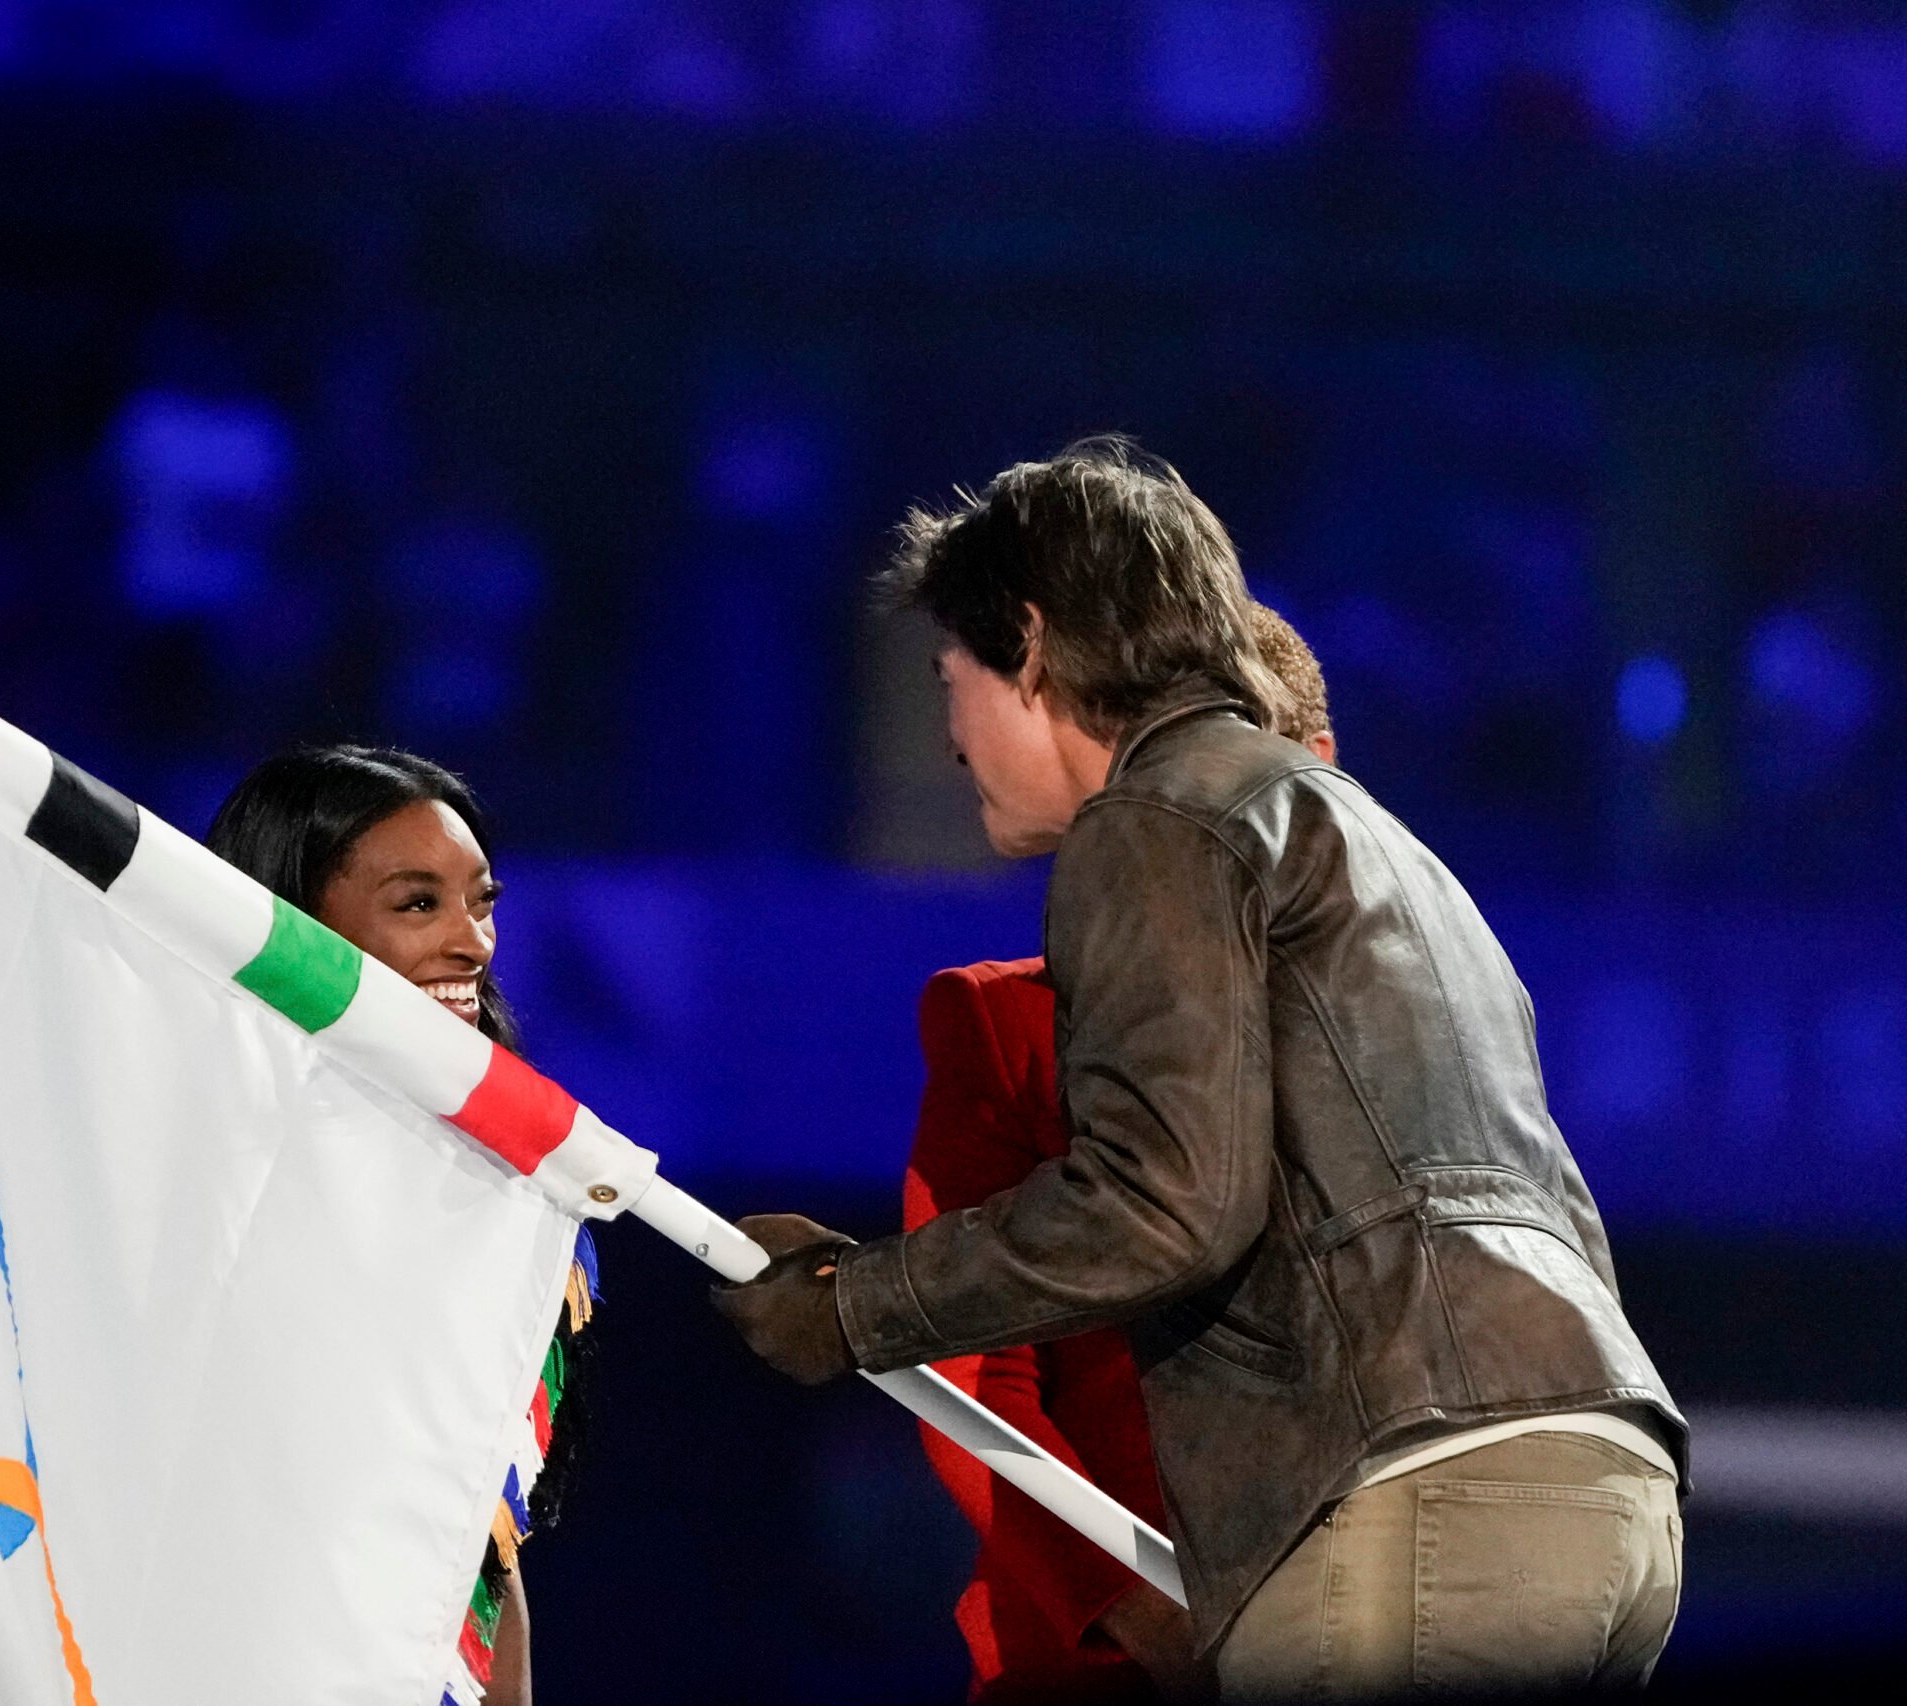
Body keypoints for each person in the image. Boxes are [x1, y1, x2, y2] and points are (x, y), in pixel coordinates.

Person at [715, 438, 1684, 1698]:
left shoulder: (1159, 816)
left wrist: (855, 1304)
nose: (949, 737)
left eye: (950, 675)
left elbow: (1167, 1202)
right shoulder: (1392, 847)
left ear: (1031, 638)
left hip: (1408, 1497)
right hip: (1600, 1484)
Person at [906, 603, 1336, 1705]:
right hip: (1100, 1660)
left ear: (1316, 774)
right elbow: (969, 1372)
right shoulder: (1005, 1025)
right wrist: (1140, 1611)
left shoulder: (1398, 1035)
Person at [205, 745, 581, 1706]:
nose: (473, 943)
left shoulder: (499, 1188)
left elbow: (474, 1534)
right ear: (292, 923)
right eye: (419, 904)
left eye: (481, 901)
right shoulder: (186, 1169)